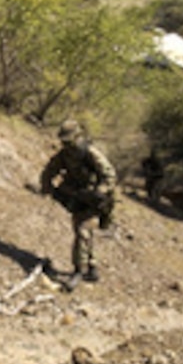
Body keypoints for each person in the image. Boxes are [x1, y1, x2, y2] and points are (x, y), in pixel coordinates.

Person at [40, 119, 118, 291]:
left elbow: (110, 175)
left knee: (82, 230)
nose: (65, 144)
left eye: (68, 140)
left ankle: (78, 271)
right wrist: (47, 188)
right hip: (77, 198)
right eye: (63, 141)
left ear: (77, 136)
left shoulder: (89, 152)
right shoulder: (64, 155)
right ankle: (91, 267)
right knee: (84, 231)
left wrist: (100, 191)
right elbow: (49, 170)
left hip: (93, 199)